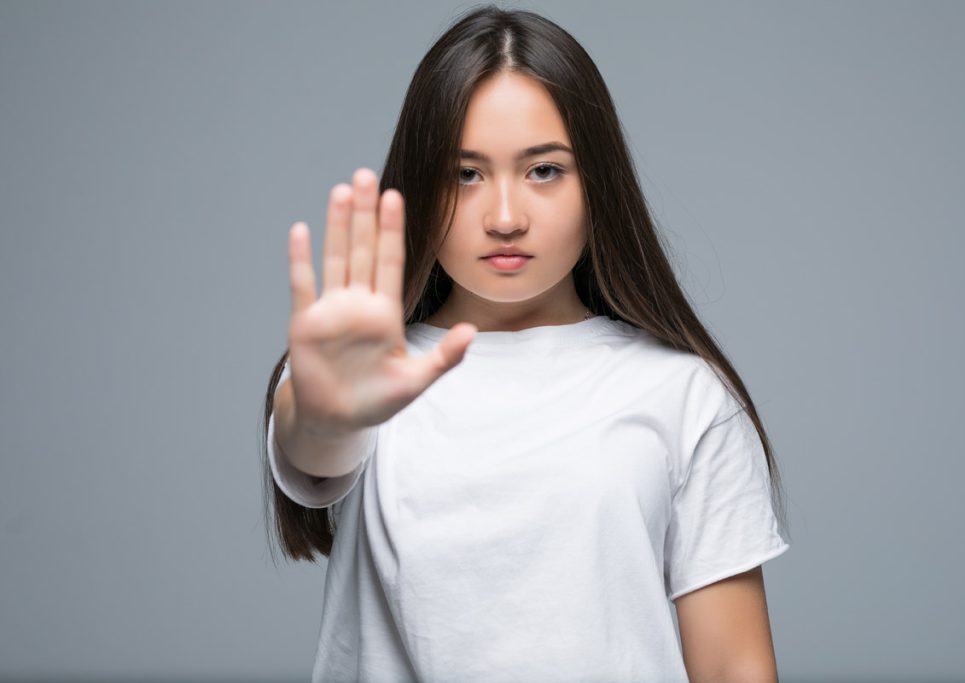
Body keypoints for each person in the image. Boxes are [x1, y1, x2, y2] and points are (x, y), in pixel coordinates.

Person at [260, 5, 791, 682]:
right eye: (465, 174)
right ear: (420, 188)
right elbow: (312, 451)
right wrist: (325, 417)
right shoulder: (356, 372)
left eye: (543, 171)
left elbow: (734, 666)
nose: (505, 218)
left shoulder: (683, 395)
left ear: (596, 184)